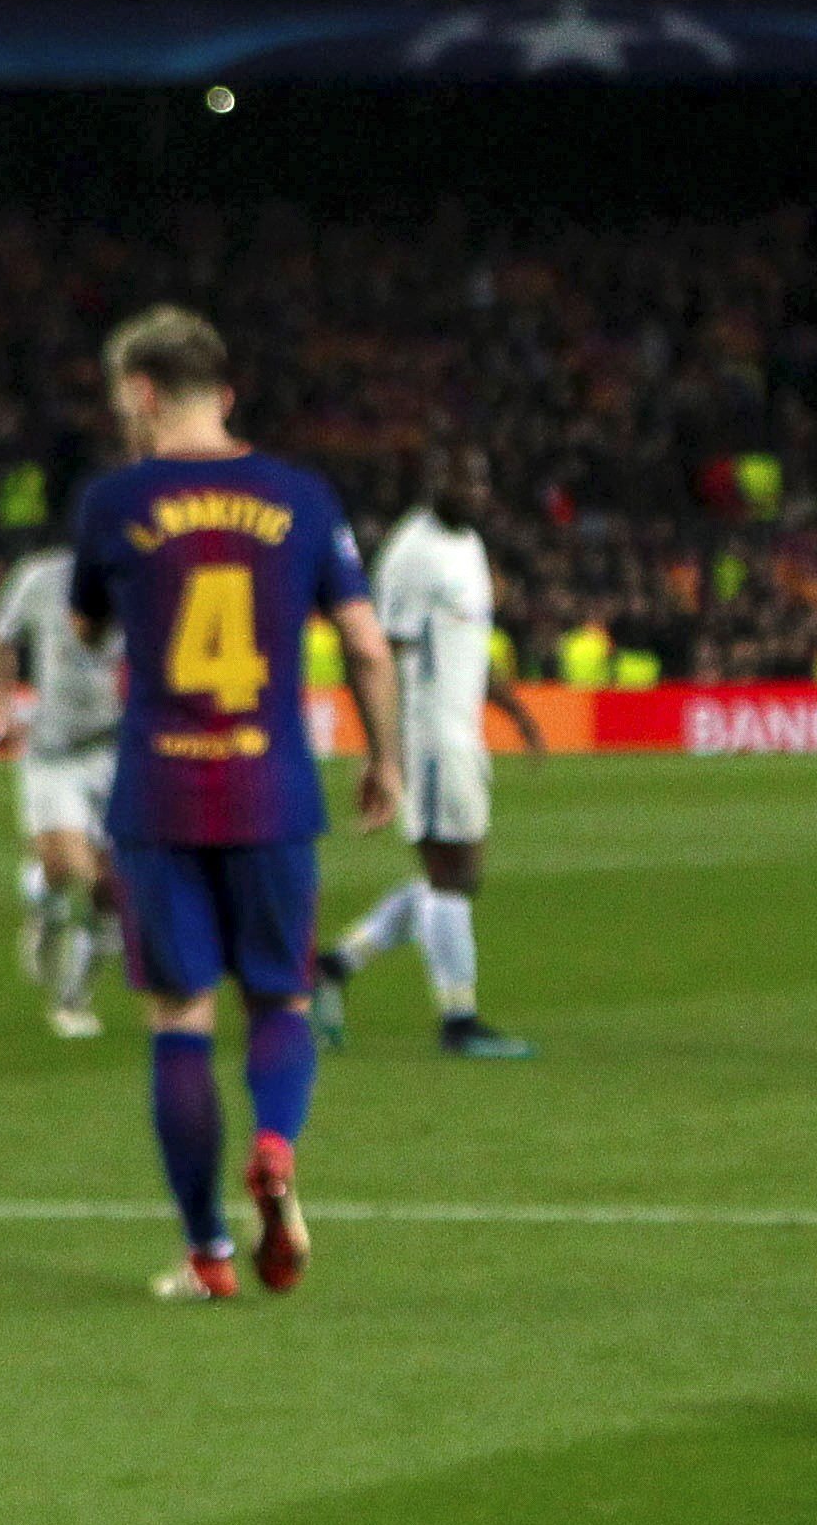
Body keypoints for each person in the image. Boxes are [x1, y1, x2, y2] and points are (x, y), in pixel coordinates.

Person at [67, 306, 402, 1301]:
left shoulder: (114, 500)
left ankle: (209, 1253)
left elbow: (85, 632)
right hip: (272, 786)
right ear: (225, 392)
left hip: (159, 793)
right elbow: (367, 644)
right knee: (280, 998)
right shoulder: (302, 496)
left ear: (141, 393)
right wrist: (385, 759)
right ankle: (275, 1145)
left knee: (180, 1019)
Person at [315, 449, 546, 1057]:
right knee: (452, 876)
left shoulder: (468, 545)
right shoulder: (410, 554)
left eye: (482, 480)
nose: (476, 491)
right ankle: (458, 1022)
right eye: (464, 480)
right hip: (430, 734)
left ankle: (333, 967)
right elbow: (378, 654)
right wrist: (381, 751)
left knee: (454, 878)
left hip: (460, 732)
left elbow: (471, 640)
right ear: (433, 483)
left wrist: (518, 714)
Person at [0, 528, 127, 1038]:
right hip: (54, 754)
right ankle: (45, 909)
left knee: (109, 886)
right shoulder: (42, 577)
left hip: (115, 750)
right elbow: (1, 635)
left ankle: (71, 999)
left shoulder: (140, 577)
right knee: (73, 869)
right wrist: (5, 709)